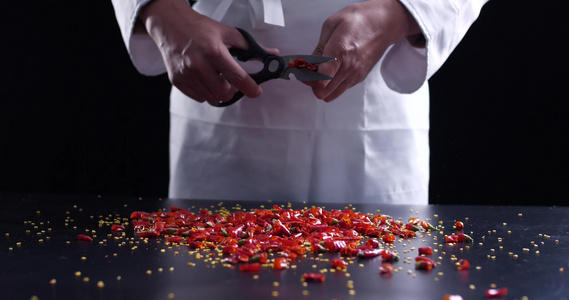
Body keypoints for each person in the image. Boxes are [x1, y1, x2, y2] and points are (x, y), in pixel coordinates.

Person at [111, 0, 488, 204]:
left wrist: (400, 13)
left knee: (376, 273)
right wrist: (162, 13)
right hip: (214, 66)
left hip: (372, 95)